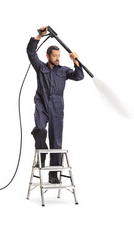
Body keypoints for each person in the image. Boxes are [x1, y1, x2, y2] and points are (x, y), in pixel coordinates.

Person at [27, 26, 84, 183]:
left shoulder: (64, 70)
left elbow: (79, 77)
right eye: (55, 56)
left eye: (59, 56)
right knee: (39, 128)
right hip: (41, 102)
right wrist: (39, 35)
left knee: (56, 141)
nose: (58, 58)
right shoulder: (40, 67)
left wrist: (76, 61)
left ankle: (53, 175)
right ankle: (42, 151)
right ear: (48, 56)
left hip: (57, 106)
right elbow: (31, 52)